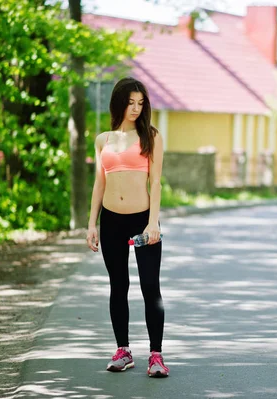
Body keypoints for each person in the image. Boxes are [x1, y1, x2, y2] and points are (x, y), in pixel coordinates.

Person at [86, 77, 168, 378]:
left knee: (150, 288)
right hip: (111, 221)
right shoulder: (103, 140)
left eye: (141, 103)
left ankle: (156, 356)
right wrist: (91, 224)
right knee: (118, 287)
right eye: (131, 102)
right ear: (119, 102)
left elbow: (155, 181)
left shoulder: (151, 136)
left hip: (142, 219)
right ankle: (123, 350)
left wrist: (153, 222)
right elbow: (99, 183)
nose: (136, 108)